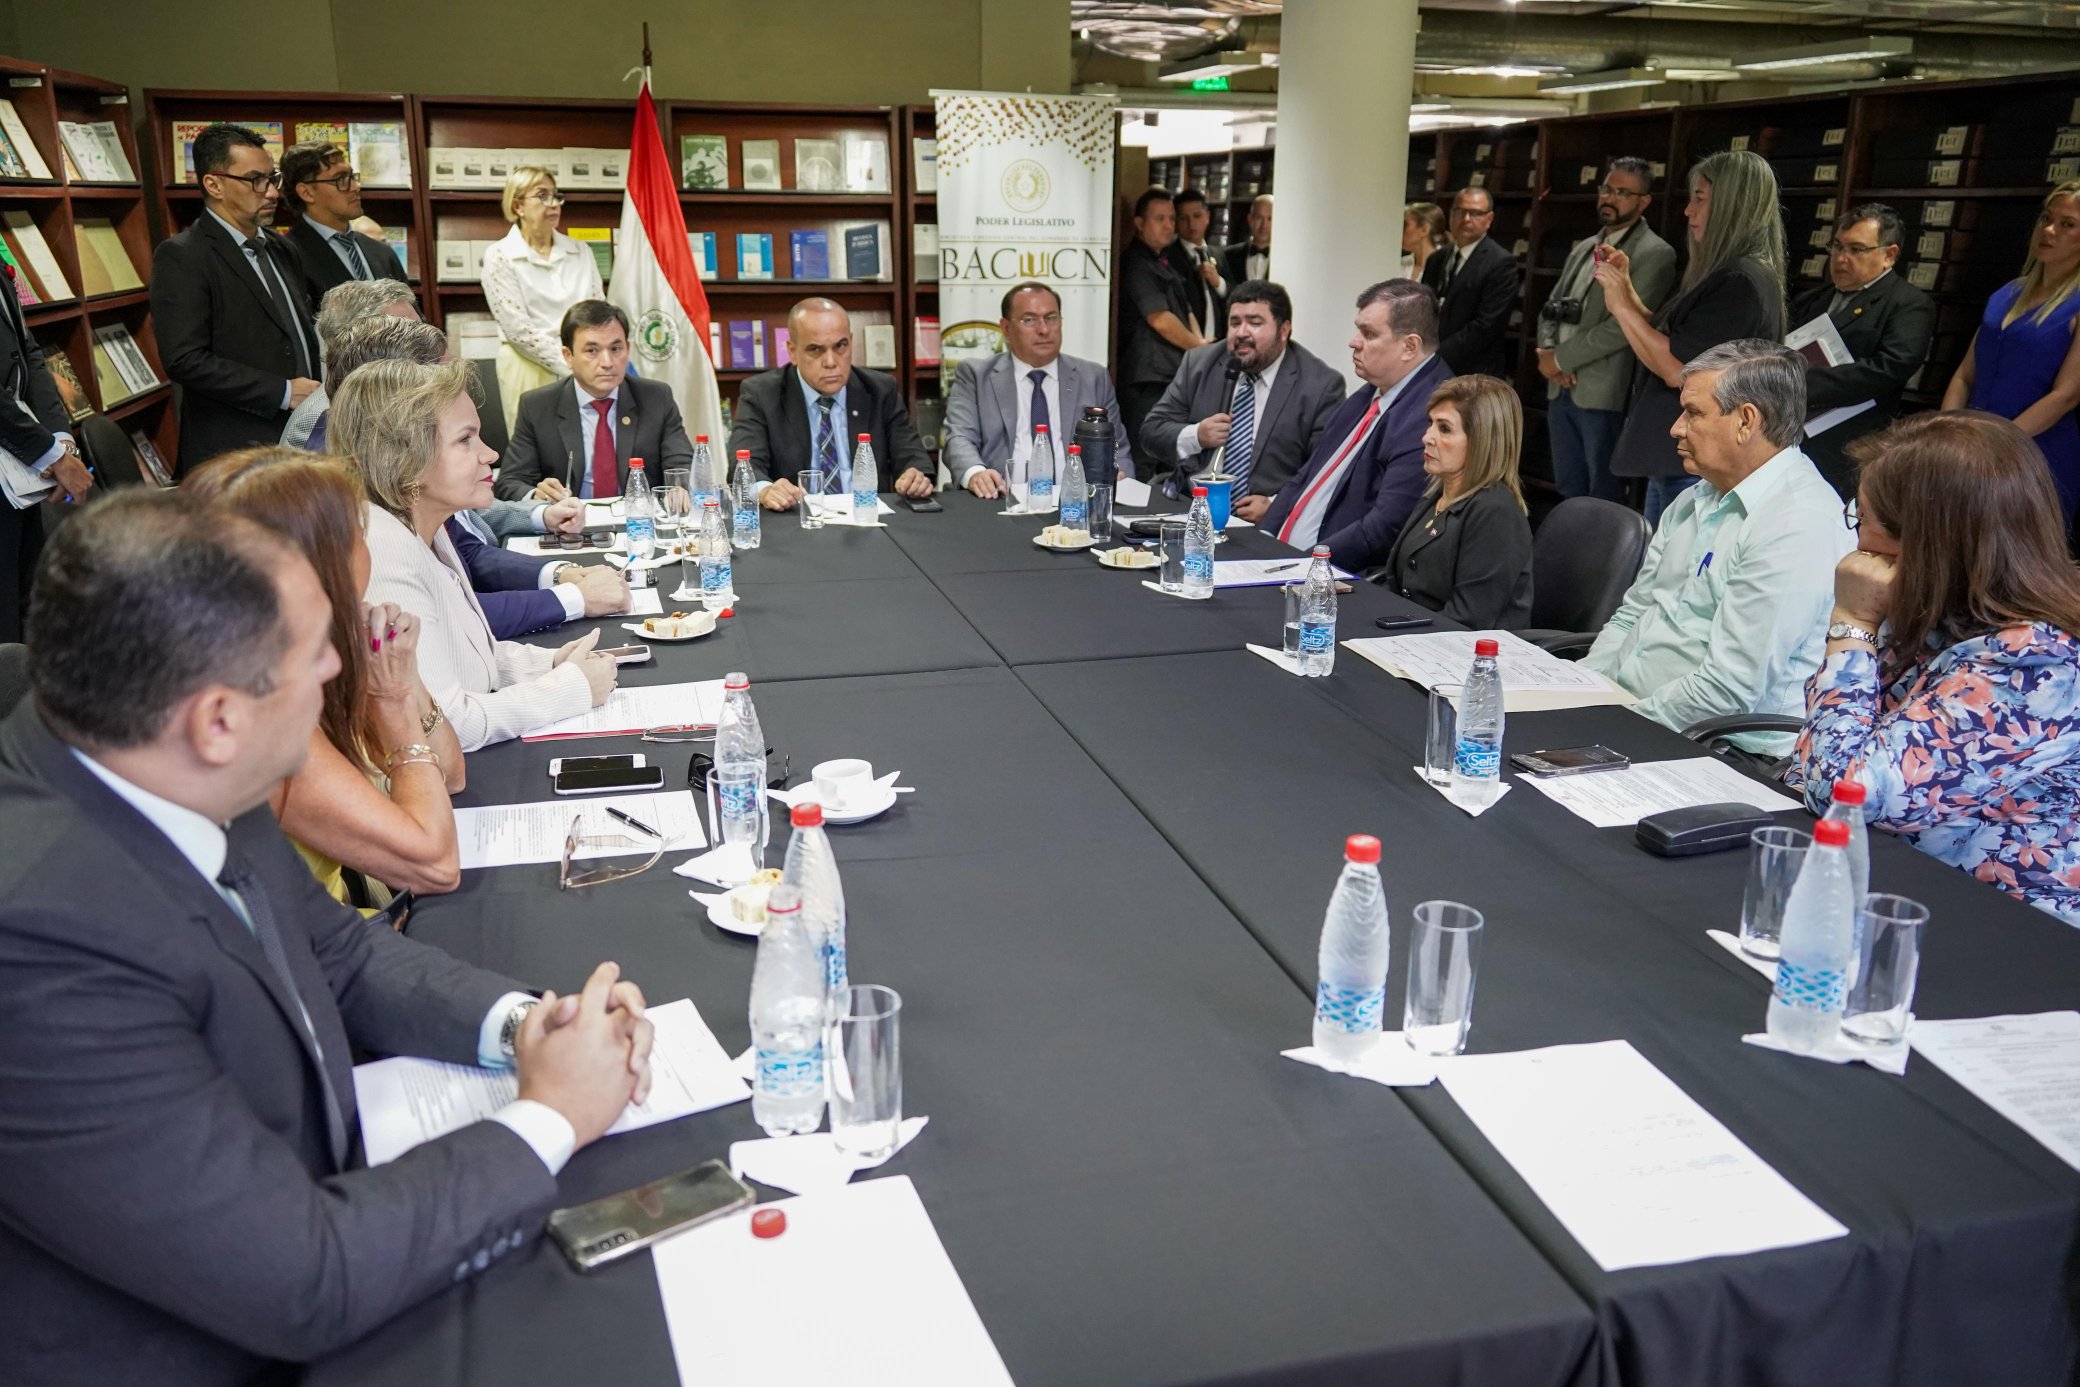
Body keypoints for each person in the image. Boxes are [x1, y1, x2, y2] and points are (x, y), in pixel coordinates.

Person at [0, 486, 656, 1387]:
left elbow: (338, 953)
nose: (335, 673)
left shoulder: (152, 749)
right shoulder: (39, 947)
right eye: (316, 656)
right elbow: (300, 1279)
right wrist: (551, 1115)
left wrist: (520, 1030)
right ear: (219, 719)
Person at [1790, 411, 2080, 925]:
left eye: (1864, 522)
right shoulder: (1948, 616)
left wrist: (1853, 623)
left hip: (2004, 930)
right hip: (1903, 887)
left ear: (1927, 543)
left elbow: (1843, 795)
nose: (1858, 545)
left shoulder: (2034, 664)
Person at [181, 448, 465, 903]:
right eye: (356, 531)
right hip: (326, 954)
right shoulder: (260, 714)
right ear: (320, 562)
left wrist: (404, 678)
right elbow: (434, 864)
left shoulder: (305, 653)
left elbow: (450, 776)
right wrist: (391, 699)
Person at [334, 358, 617, 751]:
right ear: (405, 458)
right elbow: (448, 726)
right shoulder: (383, 548)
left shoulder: (426, 528)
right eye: (466, 439)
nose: (491, 455)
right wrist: (571, 687)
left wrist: (548, 664)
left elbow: (467, 657)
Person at [1585, 340, 1851, 752]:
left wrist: (1612, 725)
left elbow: (1730, 689)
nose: (1676, 427)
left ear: (1746, 421)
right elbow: (1633, 614)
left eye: (1693, 413)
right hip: (1630, 713)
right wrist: (1582, 691)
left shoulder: (1797, 522)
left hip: (1720, 747)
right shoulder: (1696, 497)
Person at [311, 313, 629, 640]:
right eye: (465, 439)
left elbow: (469, 620)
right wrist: (575, 598)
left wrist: (563, 580)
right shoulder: (378, 538)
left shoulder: (416, 511)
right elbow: (456, 637)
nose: (491, 455)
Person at [1600, 148, 1786, 525]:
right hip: (1681, 454)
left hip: (1697, 459)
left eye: (1699, 199)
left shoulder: (1739, 281)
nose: (1688, 211)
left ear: (1731, 205)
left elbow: (1678, 367)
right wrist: (1628, 292)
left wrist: (1620, 306)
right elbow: (1681, 338)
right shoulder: (1728, 274)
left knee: (1669, 574)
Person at [150, 122, 322, 476]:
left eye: (272, 179)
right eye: (255, 180)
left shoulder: (281, 248)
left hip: (302, 440)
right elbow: (185, 359)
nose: (272, 193)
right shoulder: (183, 255)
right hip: (234, 453)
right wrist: (282, 392)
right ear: (213, 184)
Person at [1263, 279, 1453, 570]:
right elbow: (1305, 477)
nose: (1354, 341)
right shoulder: (1369, 393)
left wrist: (1303, 567)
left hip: (1332, 578)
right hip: (1285, 561)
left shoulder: (1429, 414)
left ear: (1410, 346)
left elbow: (1385, 525)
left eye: (1369, 333)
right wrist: (1263, 540)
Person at [1139, 279, 1346, 519]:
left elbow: (1326, 471)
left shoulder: (1320, 386)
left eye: (1255, 323)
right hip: (1190, 509)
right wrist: (1196, 436)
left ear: (1284, 330)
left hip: (1265, 522)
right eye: (1235, 323)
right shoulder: (1198, 364)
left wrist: (1276, 505)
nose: (1242, 332)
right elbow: (1151, 432)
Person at [1536, 157, 1678, 502]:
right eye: (1606, 189)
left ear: (1643, 201)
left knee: (1602, 491)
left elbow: (1625, 324)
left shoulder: (1655, 253)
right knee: (1568, 486)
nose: (1609, 198)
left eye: (1622, 193)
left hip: (1602, 391)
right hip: (1561, 385)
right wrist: (1547, 354)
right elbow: (1550, 307)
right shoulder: (1585, 246)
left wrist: (1563, 358)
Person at [1941, 180, 2080, 526]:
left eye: (2067, 224)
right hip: (1971, 447)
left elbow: (2066, 395)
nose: (2049, 230)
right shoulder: (2007, 292)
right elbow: (1965, 373)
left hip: (2034, 454)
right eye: (2046, 218)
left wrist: (1995, 445)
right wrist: (1944, 431)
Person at [731, 297, 934, 510]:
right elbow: (744, 465)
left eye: (841, 346)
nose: (830, 362)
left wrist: (915, 476)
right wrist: (765, 489)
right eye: (815, 350)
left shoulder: (880, 390)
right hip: (798, 520)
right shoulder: (762, 394)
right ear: (792, 351)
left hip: (868, 518)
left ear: (851, 341)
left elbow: (913, 456)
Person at [1789, 203, 1935, 499]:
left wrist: (1802, 383)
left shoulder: (1908, 304)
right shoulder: (1812, 298)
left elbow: (1890, 368)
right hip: (1793, 437)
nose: (1841, 259)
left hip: (1852, 445)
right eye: (1837, 247)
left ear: (1889, 255)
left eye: (1856, 250)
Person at [942, 281, 1134, 499]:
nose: (1044, 330)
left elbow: (1118, 448)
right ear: (1006, 328)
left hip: (1076, 504)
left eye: (1051, 318)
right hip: (1000, 500)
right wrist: (976, 473)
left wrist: (1120, 478)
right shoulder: (976, 375)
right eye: (1030, 320)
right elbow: (958, 437)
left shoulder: (1093, 377)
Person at [493, 299, 696, 503]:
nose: (607, 362)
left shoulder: (656, 398)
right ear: (568, 356)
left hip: (637, 522)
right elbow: (510, 481)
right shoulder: (537, 406)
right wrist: (538, 495)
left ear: (628, 349)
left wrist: (679, 488)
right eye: (592, 351)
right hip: (570, 525)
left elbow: (681, 463)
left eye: (616, 349)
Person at [1383, 374, 1534, 629]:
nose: (1427, 437)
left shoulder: (1495, 512)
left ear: (1482, 441)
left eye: (1444, 429)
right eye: (1430, 424)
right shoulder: (1438, 494)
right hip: (1413, 635)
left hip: (1463, 655)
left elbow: (1468, 619)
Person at [479, 165, 602, 437]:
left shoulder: (580, 251)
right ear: (518, 205)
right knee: (541, 451)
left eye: (556, 196)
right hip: (528, 365)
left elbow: (597, 312)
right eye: (543, 196)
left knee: (591, 443)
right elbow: (518, 329)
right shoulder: (499, 255)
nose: (554, 204)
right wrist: (571, 364)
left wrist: (585, 359)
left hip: (584, 361)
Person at [0, 276, 91, 640]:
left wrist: (62, 441)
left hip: (19, 468)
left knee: (30, 608)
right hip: (22, 454)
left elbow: (29, 353)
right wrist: (50, 455)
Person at [282, 276, 421, 450]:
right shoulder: (321, 420)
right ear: (356, 345)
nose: (423, 341)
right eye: (405, 334)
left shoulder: (398, 393)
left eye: (420, 328)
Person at [1117, 188, 1208, 454]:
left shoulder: (1166, 260)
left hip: (1169, 375)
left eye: (1171, 218)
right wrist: (1200, 349)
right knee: (1146, 453)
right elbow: (1160, 319)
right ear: (1139, 223)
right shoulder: (1136, 263)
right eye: (1160, 219)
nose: (1169, 225)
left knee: (1168, 454)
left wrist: (1200, 343)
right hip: (1146, 381)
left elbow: (1185, 309)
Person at [279, 142, 409, 299]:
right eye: (340, 180)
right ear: (306, 192)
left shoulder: (382, 253)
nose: (355, 187)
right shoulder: (287, 257)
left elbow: (412, 317)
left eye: (352, 177)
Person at [1419, 186, 1518, 379]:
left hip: (1472, 373)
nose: (1466, 219)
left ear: (1489, 219)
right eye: (1460, 211)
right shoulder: (1437, 258)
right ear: (1451, 214)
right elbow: (1423, 308)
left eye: (1475, 213)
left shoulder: (1501, 263)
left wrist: (1434, 356)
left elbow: (1485, 326)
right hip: (1429, 366)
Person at [1167, 188, 1226, 350]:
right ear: (1176, 222)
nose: (1191, 224)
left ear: (1208, 217)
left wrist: (1218, 283)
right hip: (1184, 347)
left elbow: (1235, 296)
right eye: (1183, 218)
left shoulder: (1219, 254)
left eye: (1197, 216)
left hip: (1219, 345)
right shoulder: (1168, 257)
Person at [1220, 194, 1273, 288]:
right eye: (1259, 218)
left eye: (1270, 219)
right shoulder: (1228, 256)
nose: (1264, 225)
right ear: (1250, 219)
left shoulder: (1285, 259)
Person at [1400, 202, 1447, 280]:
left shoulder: (1445, 266)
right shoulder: (1401, 263)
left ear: (1424, 230)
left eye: (1405, 225)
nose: (1400, 230)